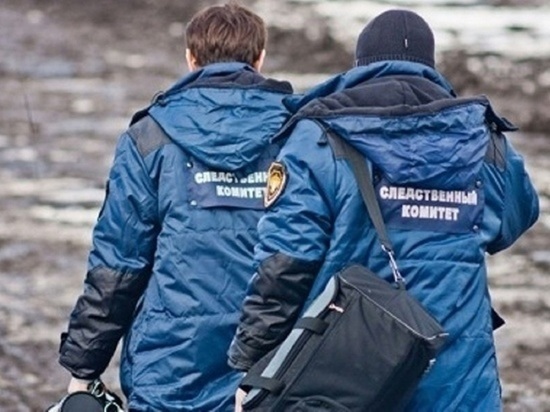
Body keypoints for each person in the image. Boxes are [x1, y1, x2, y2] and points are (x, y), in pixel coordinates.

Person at [228, 9, 539, 411]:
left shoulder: (318, 138)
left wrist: (255, 365)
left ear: (360, 65)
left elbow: (285, 264)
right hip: (457, 380)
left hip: (347, 378)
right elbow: (513, 220)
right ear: (431, 64)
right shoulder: (481, 138)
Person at [54, 2, 293, 411]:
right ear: (259, 59)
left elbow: (118, 265)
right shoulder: (299, 136)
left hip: (168, 372)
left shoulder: (150, 138)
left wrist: (83, 368)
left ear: (191, 59)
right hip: (271, 372)